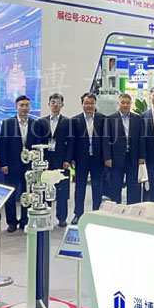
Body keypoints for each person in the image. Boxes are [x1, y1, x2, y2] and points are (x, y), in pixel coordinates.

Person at [31, 93, 74, 227]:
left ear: (62, 105)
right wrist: (40, 161)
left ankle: (62, 218)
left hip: (62, 161)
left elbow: (71, 143)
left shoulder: (68, 122)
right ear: (49, 104)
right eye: (53, 102)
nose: (55, 105)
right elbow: (38, 141)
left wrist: (68, 160)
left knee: (62, 191)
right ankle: (46, 216)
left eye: (58, 103)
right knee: (45, 190)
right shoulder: (41, 122)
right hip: (45, 161)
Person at [0, 95, 35, 233]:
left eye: (27, 105)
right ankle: (11, 222)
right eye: (22, 105)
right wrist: (4, 164)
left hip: (28, 166)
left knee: (27, 193)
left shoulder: (35, 124)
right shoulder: (8, 123)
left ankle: (25, 220)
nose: (24, 108)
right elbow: (3, 145)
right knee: (11, 195)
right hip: (12, 165)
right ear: (16, 107)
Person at [103, 93, 146, 204]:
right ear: (118, 103)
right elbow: (106, 140)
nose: (125, 105)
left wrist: (142, 156)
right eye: (123, 102)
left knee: (133, 185)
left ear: (131, 104)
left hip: (133, 157)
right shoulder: (110, 119)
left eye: (127, 103)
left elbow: (142, 138)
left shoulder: (137, 118)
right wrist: (107, 157)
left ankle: (132, 208)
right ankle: (116, 208)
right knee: (116, 185)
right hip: (116, 158)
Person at [71, 93, 105, 225]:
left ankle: (96, 213)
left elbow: (106, 140)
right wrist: (72, 158)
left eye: (91, 103)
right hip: (81, 159)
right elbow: (72, 142)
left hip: (98, 158)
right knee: (80, 187)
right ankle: (78, 214)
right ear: (82, 104)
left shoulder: (102, 119)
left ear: (95, 104)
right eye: (86, 103)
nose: (89, 106)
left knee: (97, 186)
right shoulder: (75, 120)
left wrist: (107, 157)